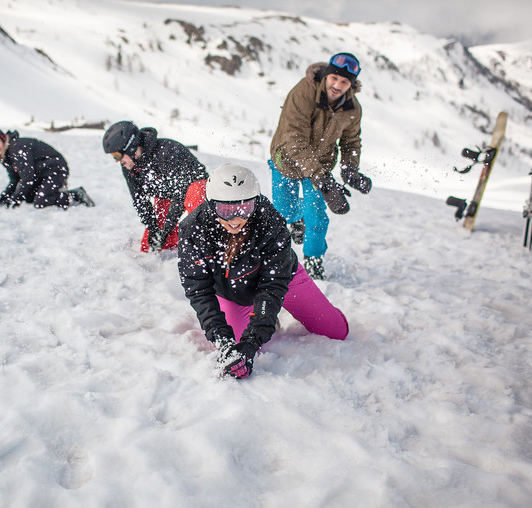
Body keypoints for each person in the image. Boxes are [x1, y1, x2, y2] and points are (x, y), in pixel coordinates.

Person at [178, 164, 349, 379]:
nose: (235, 219)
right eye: (226, 210)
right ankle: (265, 317)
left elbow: (273, 286)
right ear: (211, 206)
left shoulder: (270, 222)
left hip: (284, 280)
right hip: (233, 292)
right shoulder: (193, 230)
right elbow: (199, 291)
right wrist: (223, 339)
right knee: (235, 347)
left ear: (255, 202)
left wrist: (253, 340)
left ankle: (266, 315)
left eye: (244, 208)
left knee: (336, 332)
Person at [269, 52, 372, 280]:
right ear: (326, 75)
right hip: (286, 158)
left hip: (320, 164)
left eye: (344, 82)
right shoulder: (303, 93)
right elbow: (294, 138)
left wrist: (349, 169)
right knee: (283, 210)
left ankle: (314, 261)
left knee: (316, 216)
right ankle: (297, 218)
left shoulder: (352, 109)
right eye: (334, 78)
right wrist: (321, 178)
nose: (337, 85)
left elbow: (351, 141)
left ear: (351, 85)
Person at [102, 121, 208, 252]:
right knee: (149, 245)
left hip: (194, 189)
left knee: (196, 197)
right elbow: (139, 199)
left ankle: (207, 245)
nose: (117, 161)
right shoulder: (129, 167)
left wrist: (167, 229)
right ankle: (176, 244)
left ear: (131, 147)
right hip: (167, 195)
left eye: (117, 155)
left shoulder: (167, 151)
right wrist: (153, 229)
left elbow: (181, 193)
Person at [0, 125, 94, 209]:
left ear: (2, 138)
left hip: (56, 169)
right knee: (29, 198)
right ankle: (54, 192)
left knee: (41, 201)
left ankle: (76, 195)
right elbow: (15, 180)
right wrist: (2, 198)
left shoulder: (17, 148)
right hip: (41, 174)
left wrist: (14, 199)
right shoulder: (5, 156)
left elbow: (27, 178)